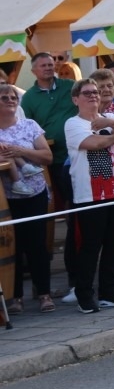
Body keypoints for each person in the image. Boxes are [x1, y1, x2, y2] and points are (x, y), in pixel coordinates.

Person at [64, 78, 114, 313]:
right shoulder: (73, 124)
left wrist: (110, 124)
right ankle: (84, 294)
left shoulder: (110, 118)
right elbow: (93, 143)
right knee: (90, 246)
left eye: (95, 92)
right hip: (90, 196)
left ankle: (109, 290)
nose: (93, 95)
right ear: (76, 99)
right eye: (87, 93)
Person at [20, 51, 77, 284]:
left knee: (78, 212)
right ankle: (58, 277)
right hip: (49, 162)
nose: (48, 68)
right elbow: (28, 129)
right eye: (43, 65)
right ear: (33, 70)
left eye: (51, 64)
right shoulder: (29, 98)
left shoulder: (69, 86)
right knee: (53, 213)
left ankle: (81, 267)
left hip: (75, 157)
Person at [0, 84, 55, 314]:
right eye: (4, 97)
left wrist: (21, 152)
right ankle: (16, 298)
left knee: (37, 245)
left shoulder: (29, 125)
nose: (11, 100)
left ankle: (44, 294)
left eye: (13, 97)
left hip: (34, 193)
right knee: (14, 247)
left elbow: (47, 156)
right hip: (7, 198)